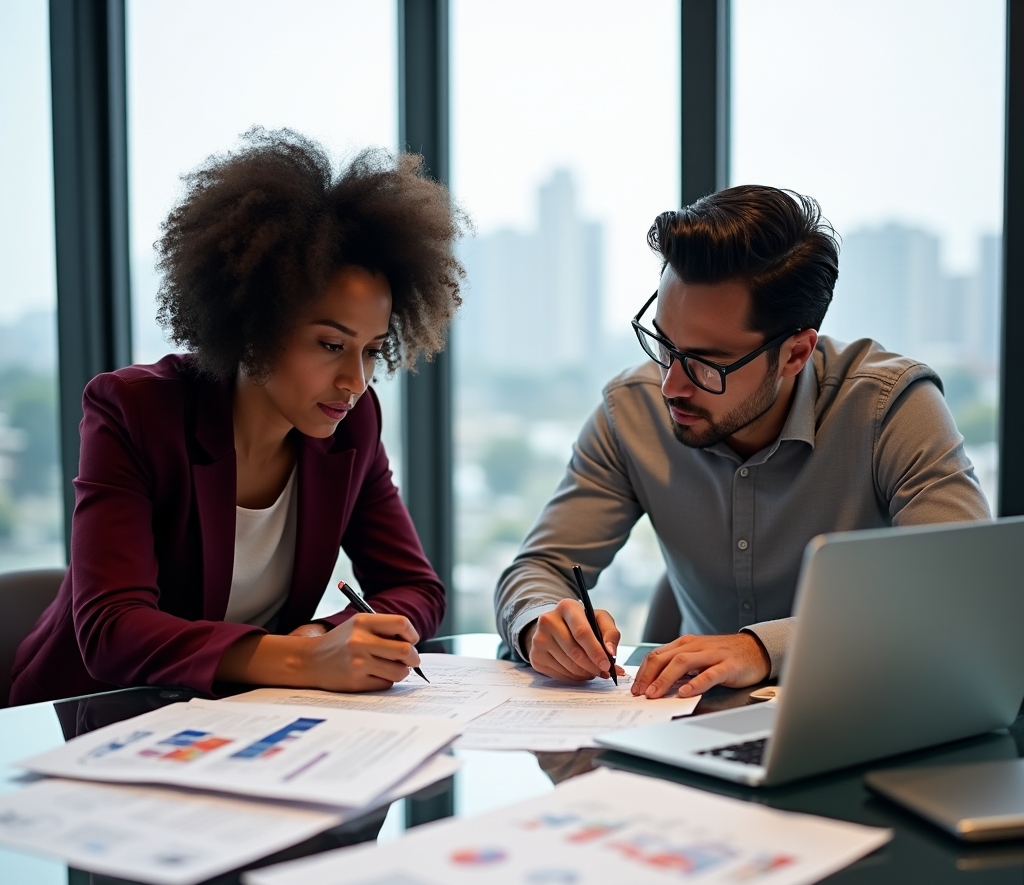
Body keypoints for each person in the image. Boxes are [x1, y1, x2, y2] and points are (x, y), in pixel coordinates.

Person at [10, 129, 464, 706]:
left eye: (372, 350)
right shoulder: (135, 411)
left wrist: (325, 636)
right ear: (254, 327)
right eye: (330, 345)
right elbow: (112, 629)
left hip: (239, 721)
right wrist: (302, 659)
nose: (356, 381)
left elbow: (414, 587)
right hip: (87, 720)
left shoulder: (353, 423)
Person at [495, 186, 990, 700]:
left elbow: (960, 593)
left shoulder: (889, 407)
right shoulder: (631, 409)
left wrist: (762, 649)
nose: (670, 385)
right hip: (691, 723)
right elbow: (537, 569)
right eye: (664, 345)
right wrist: (540, 625)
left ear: (796, 353)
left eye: (707, 363)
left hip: (866, 710)